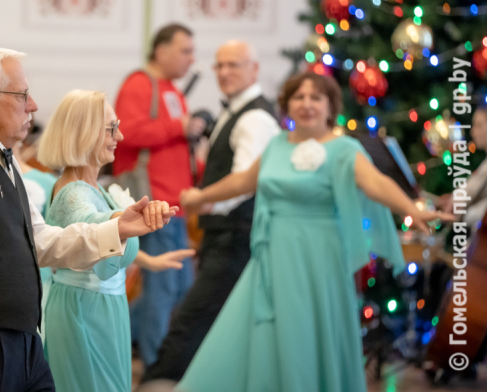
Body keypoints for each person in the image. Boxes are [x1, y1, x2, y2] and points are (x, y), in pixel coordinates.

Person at [0, 47, 178, 392]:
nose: (34, 105)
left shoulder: (1, 158)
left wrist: (117, 228)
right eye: (22, 94)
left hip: (21, 342)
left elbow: (40, 240)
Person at [176, 72, 452, 392]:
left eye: (315, 98)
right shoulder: (277, 145)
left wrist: (410, 207)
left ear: (330, 106)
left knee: (306, 330)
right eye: (299, 97)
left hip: (318, 260)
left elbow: (375, 183)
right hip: (272, 256)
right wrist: (201, 196)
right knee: (253, 330)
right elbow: (243, 182)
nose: (306, 104)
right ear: (287, 105)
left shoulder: (344, 149)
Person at [36, 90, 195, 392]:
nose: (120, 135)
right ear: (84, 133)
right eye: (110, 128)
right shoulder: (75, 193)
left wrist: (147, 259)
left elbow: (91, 239)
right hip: (85, 312)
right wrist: (121, 224)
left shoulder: (91, 187)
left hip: (101, 308)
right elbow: (92, 228)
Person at [142, 41, 280, 382]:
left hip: (237, 237)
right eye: (219, 66)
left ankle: (155, 384)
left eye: (234, 65)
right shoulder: (236, 112)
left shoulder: (255, 117)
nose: (224, 72)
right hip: (226, 236)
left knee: (191, 320)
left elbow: (245, 181)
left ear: (254, 69)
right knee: (210, 324)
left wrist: (200, 198)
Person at [113, 23, 205, 366]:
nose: (190, 59)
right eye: (185, 51)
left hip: (176, 206)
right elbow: (126, 131)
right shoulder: (140, 84)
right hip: (153, 203)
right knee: (163, 290)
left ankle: (131, 344)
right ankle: (156, 368)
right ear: (161, 50)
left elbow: (175, 145)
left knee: (178, 288)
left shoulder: (172, 91)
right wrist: (177, 127)